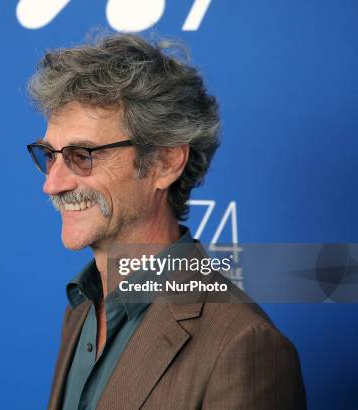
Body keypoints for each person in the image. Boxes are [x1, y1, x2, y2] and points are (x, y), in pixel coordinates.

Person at [25, 33, 306, 410]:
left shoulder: (244, 345)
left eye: (81, 155)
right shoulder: (80, 309)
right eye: (50, 155)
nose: (52, 184)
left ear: (165, 162)